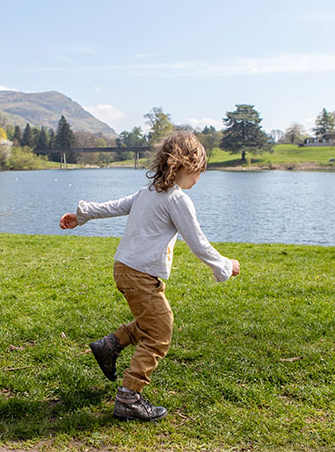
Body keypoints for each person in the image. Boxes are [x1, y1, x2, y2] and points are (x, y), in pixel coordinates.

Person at [59, 131, 240, 421]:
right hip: (140, 275)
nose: (200, 177)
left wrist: (82, 215)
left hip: (125, 269)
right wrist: (224, 265)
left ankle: (110, 346)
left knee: (152, 321)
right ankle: (129, 397)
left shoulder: (148, 193)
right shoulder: (177, 200)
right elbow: (198, 242)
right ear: (184, 164)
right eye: (200, 170)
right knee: (160, 333)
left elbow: (113, 206)